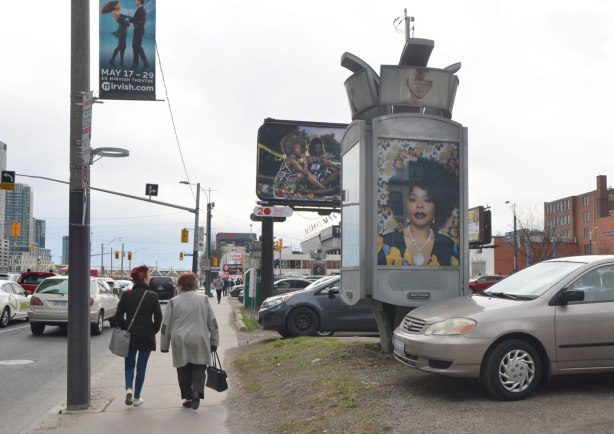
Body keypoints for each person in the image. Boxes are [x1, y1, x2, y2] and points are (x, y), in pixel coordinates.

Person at [377, 158, 459, 267]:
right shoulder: (386, 243)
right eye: (412, 199)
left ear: (437, 205)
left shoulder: (450, 246)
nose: (420, 205)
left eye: (427, 200)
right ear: (404, 204)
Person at [160, 273, 219, 410]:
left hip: (180, 340)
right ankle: (197, 390)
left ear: (180, 285)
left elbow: (165, 326)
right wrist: (214, 340)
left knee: (183, 369)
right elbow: (213, 323)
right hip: (199, 339)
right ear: (194, 284)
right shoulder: (204, 299)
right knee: (199, 367)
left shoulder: (173, 301)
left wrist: (164, 345)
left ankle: (188, 398)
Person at [114, 265, 163, 406]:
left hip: (130, 335)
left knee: (129, 365)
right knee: (141, 367)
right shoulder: (153, 296)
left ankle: (129, 388)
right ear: (145, 278)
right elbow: (159, 318)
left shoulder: (126, 295)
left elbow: (118, 317)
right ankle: (137, 397)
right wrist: (153, 330)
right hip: (146, 335)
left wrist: (125, 328)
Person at [102, 1, 130, 68]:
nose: (120, 6)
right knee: (121, 46)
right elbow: (123, 23)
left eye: (120, 5)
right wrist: (128, 21)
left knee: (122, 47)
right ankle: (118, 61)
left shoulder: (119, 13)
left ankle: (116, 61)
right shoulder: (115, 13)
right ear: (115, 6)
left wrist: (128, 22)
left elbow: (126, 24)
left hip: (124, 31)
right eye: (119, 5)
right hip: (121, 32)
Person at [129, 0, 149, 70]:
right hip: (138, 30)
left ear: (139, 1)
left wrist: (131, 20)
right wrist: (131, 20)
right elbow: (137, 19)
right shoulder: (140, 9)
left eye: (136, 0)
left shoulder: (141, 10)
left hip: (139, 30)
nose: (135, 1)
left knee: (136, 46)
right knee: (137, 47)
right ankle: (144, 63)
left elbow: (141, 21)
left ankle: (136, 64)